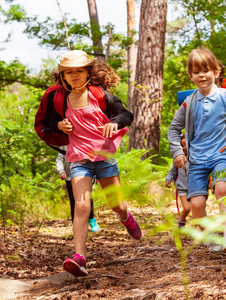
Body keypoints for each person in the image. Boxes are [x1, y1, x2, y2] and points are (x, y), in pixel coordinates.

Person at [45, 50, 142, 276]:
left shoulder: (100, 95)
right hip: (80, 160)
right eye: (69, 72)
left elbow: (125, 114)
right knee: (81, 206)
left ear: (88, 73)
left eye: (79, 71)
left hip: (105, 159)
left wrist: (115, 123)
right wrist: (59, 126)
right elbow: (49, 124)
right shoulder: (59, 99)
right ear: (63, 76)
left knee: (116, 204)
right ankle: (79, 257)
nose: (74, 75)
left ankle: (125, 217)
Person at [168, 48, 226, 257]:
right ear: (191, 76)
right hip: (196, 160)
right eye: (196, 72)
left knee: (223, 189)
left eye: (205, 70)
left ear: (216, 72)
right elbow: (173, 129)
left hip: (222, 154)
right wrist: (177, 152)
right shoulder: (189, 103)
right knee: (196, 204)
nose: (201, 75)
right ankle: (209, 238)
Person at [56, 145, 100, 232]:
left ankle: (91, 218)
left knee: (87, 198)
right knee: (74, 203)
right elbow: (59, 159)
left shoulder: (84, 139)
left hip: (85, 175)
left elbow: (93, 157)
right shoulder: (65, 143)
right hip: (69, 177)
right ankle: (77, 230)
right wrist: (61, 171)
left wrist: (96, 174)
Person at [165, 134, 191, 227]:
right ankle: (182, 220)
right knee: (187, 208)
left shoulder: (196, 157)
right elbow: (173, 171)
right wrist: (168, 179)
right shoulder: (178, 159)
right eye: (182, 145)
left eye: (186, 144)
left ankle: (200, 228)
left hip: (195, 188)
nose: (184, 147)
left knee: (197, 208)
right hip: (182, 188)